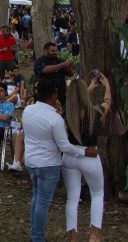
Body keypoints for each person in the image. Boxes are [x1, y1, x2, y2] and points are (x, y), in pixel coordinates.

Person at [23, 79, 98, 242]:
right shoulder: (54, 119)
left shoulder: (28, 110)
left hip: (31, 161)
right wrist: (84, 151)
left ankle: (35, 233)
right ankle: (37, 237)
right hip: (48, 164)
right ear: (53, 95)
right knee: (43, 201)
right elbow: (64, 146)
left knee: (37, 197)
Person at [62, 75, 113, 241]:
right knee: (97, 194)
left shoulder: (66, 115)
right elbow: (107, 102)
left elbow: (76, 100)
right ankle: (94, 234)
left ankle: (73, 236)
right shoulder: (96, 113)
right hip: (90, 157)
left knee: (72, 198)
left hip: (70, 157)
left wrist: (88, 89)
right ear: (85, 94)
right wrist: (106, 86)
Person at [34, 42, 74, 107]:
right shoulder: (39, 61)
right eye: (52, 51)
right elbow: (45, 70)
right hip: (45, 95)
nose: (55, 52)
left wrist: (69, 67)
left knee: (62, 113)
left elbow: (71, 74)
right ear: (45, 50)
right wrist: (63, 65)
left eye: (56, 50)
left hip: (61, 94)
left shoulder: (60, 60)